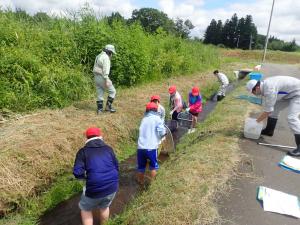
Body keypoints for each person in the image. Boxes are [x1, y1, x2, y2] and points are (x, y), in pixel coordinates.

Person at [73, 127, 119, 225]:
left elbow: (77, 172)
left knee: (85, 209)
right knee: (104, 207)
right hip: (112, 186)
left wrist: (85, 177)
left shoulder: (83, 151)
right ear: (100, 136)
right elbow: (116, 166)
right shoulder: (108, 149)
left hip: (94, 187)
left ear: (87, 138)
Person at [246, 76, 300, 156]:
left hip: (297, 94)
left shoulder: (269, 89)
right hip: (289, 94)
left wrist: (256, 122)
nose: (253, 94)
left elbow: (268, 111)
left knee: (292, 118)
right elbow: (270, 107)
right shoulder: (266, 85)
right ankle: (269, 130)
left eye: (252, 92)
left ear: (257, 88)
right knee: (274, 110)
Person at [137, 102, 166, 185]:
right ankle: (153, 184)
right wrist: (164, 134)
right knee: (153, 167)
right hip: (151, 148)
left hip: (140, 148)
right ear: (155, 110)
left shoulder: (144, 119)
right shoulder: (157, 119)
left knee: (141, 168)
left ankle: (140, 182)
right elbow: (161, 132)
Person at [93, 44, 117, 114]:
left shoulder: (98, 56)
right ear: (109, 52)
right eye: (112, 53)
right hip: (103, 77)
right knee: (113, 91)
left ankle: (99, 109)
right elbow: (106, 70)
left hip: (96, 77)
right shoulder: (106, 58)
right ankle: (108, 107)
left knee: (100, 92)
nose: (112, 55)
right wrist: (107, 80)